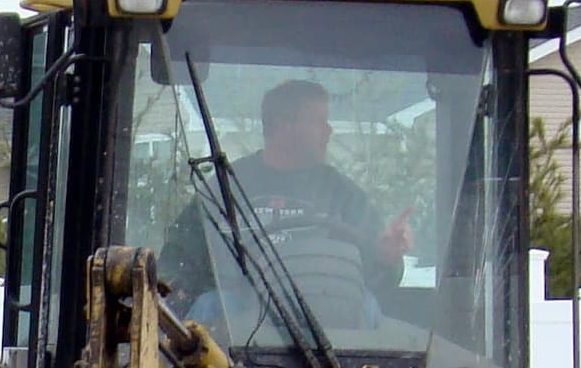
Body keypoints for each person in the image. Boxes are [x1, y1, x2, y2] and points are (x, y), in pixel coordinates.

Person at [160, 79, 412, 314]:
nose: (329, 131)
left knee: (366, 308)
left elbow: (373, 277)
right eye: (318, 121)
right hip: (239, 319)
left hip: (323, 319)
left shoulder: (343, 197)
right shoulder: (224, 189)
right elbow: (178, 262)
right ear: (283, 125)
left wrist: (386, 256)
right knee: (208, 306)